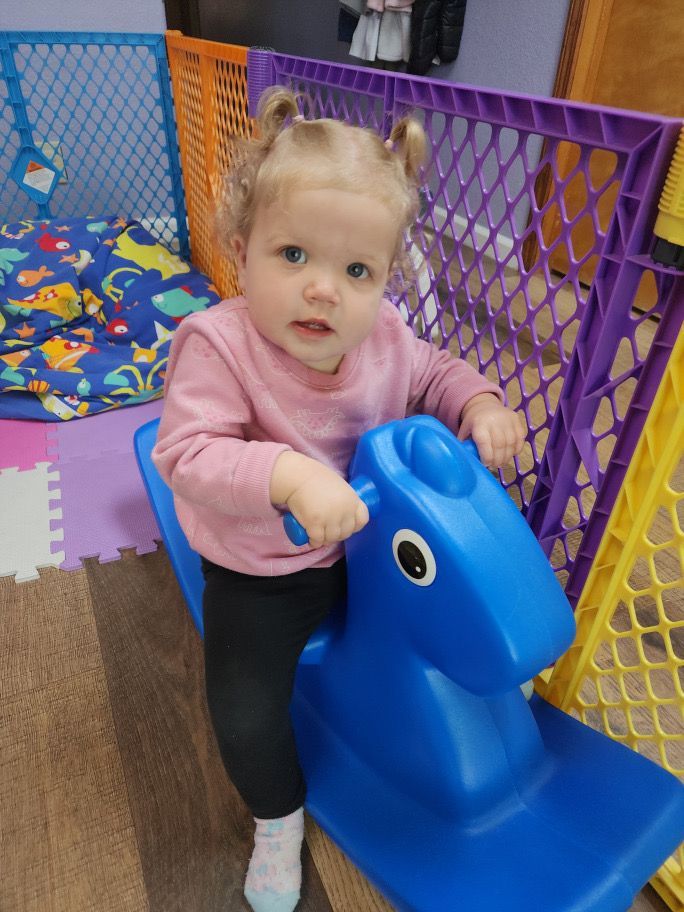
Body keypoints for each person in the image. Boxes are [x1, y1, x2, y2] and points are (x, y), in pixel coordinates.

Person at [152, 87, 524, 912]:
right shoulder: (217, 344)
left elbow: (433, 374)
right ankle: (277, 817)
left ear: (388, 278)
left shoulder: (386, 333)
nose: (324, 290)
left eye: (356, 271)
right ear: (241, 253)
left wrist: (481, 404)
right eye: (293, 257)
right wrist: (287, 475)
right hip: (261, 565)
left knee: (451, 594)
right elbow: (188, 452)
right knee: (244, 710)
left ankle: (486, 697)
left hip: (364, 543)